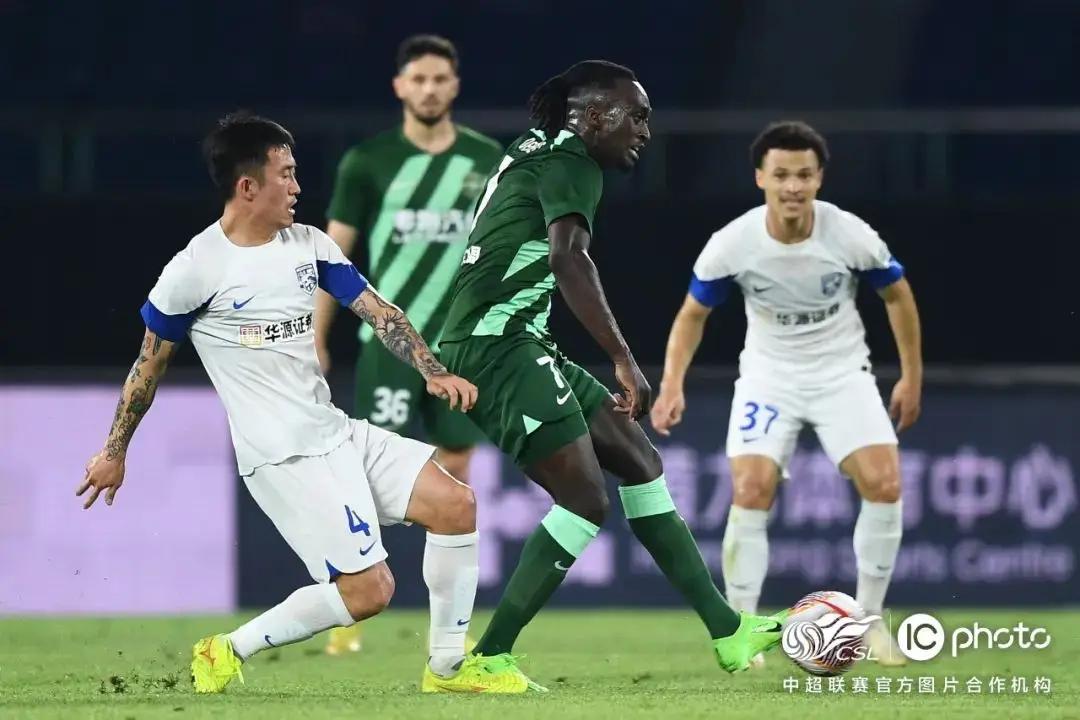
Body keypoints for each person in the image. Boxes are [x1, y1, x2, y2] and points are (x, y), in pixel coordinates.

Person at [76, 112, 513, 694]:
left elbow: (380, 313)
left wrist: (432, 371)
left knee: (456, 504)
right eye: (285, 174)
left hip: (333, 430)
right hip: (282, 454)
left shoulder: (309, 244)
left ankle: (449, 670)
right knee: (370, 591)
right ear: (247, 186)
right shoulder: (195, 269)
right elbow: (146, 367)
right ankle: (227, 649)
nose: (298, 187)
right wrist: (114, 451)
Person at [437, 61, 784, 693]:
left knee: (640, 461)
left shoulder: (541, 147)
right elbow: (569, 258)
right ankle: (488, 658)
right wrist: (623, 357)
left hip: (519, 340)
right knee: (585, 500)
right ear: (594, 116)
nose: (645, 131)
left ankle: (727, 630)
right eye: (638, 117)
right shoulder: (572, 161)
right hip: (496, 347)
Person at [650, 120, 922, 666]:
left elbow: (898, 296)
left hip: (842, 372)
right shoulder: (733, 244)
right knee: (751, 488)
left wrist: (911, 376)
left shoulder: (850, 235)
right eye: (781, 175)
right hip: (769, 376)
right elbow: (692, 315)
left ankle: (869, 622)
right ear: (760, 178)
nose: (793, 186)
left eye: (803, 175)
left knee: (885, 483)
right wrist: (671, 383)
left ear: (819, 178)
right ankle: (741, 629)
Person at [316, 34, 501, 656]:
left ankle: (448, 622)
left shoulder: (485, 159)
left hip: (460, 347)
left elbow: (503, 247)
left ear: (455, 86)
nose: (429, 89)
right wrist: (317, 334)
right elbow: (332, 254)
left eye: (439, 79)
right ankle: (349, 603)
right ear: (400, 86)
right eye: (418, 79)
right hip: (388, 347)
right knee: (366, 478)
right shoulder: (369, 161)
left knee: (457, 473)